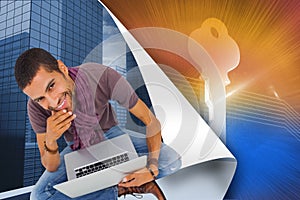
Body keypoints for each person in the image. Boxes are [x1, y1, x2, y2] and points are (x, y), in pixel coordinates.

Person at [14, 48, 181, 200]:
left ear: (62, 68)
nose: (52, 102)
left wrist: (151, 169)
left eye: (51, 86)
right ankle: (119, 190)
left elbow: (150, 120)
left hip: (110, 133)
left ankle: (120, 183)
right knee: (38, 196)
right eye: (40, 98)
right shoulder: (35, 108)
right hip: (77, 148)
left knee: (171, 160)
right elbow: (50, 165)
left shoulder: (100, 75)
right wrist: (50, 141)